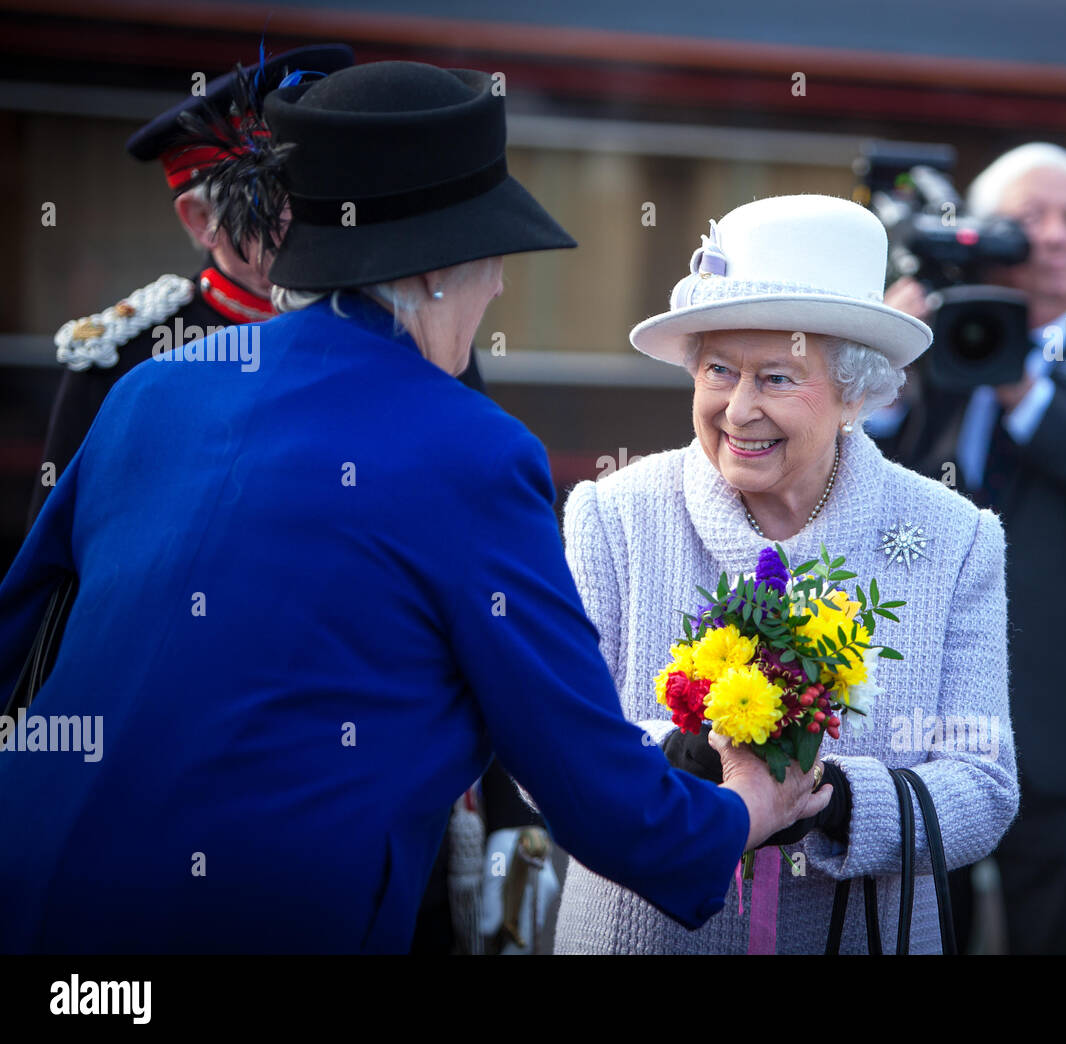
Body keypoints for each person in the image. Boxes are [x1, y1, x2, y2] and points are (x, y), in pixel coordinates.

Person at [0, 60, 829, 954]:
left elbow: (25, 641)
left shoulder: (153, 387)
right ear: (438, 271)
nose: (503, 287)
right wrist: (742, 809)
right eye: (495, 257)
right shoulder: (472, 450)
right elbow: (589, 780)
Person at [552, 194, 1018, 954]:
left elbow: (983, 785)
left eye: (775, 377)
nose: (738, 410)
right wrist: (695, 761)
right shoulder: (615, 516)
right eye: (717, 371)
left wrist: (828, 798)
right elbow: (556, 751)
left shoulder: (955, 537)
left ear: (853, 393)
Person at [875, 143, 1066, 954]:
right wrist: (874, 361)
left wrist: (1024, 389)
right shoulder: (924, 354)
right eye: (1025, 218)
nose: (1050, 235)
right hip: (919, 718)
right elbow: (853, 484)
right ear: (979, 234)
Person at [27, 44, 358, 528]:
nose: (304, 216)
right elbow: (57, 561)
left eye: (318, 190)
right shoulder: (122, 361)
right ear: (201, 218)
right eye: (269, 199)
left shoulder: (393, 322)